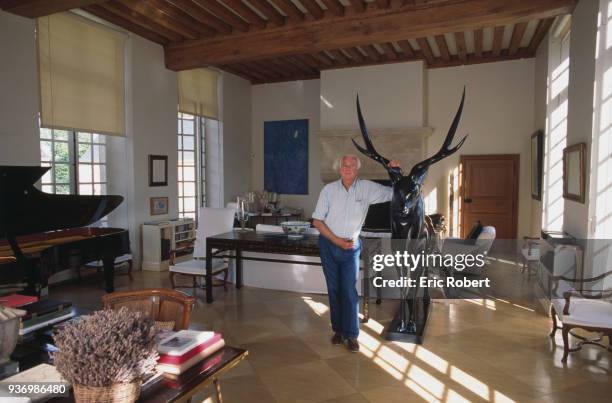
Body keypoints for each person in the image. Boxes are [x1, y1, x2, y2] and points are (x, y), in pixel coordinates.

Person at [312, 154, 400, 352]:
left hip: (351, 247)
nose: (348, 168)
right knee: (334, 290)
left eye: (352, 165)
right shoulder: (329, 190)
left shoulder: (367, 188)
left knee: (349, 291)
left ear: (357, 169)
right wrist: (336, 241)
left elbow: (395, 193)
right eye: (344, 165)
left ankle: (351, 335)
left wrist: (394, 171)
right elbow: (317, 221)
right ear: (340, 168)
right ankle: (338, 330)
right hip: (328, 244)